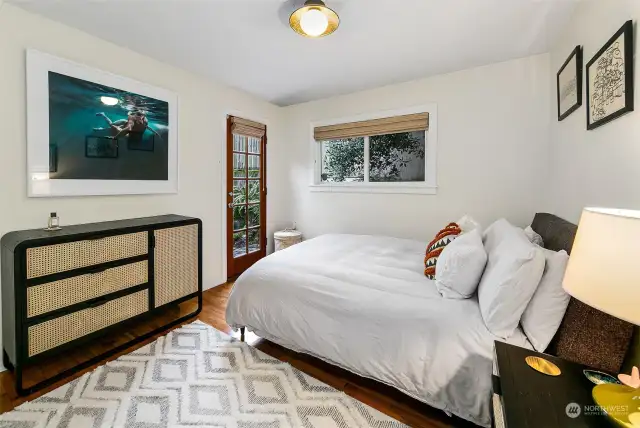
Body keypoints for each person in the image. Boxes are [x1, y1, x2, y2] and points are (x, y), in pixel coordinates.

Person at [94, 110, 162, 140]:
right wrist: (115, 138)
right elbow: (126, 130)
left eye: (141, 117)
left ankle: (101, 129)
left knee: (115, 128)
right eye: (138, 117)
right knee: (112, 125)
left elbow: (147, 127)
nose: (140, 119)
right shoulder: (131, 120)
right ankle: (103, 115)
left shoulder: (144, 121)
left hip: (128, 128)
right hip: (125, 123)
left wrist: (155, 132)